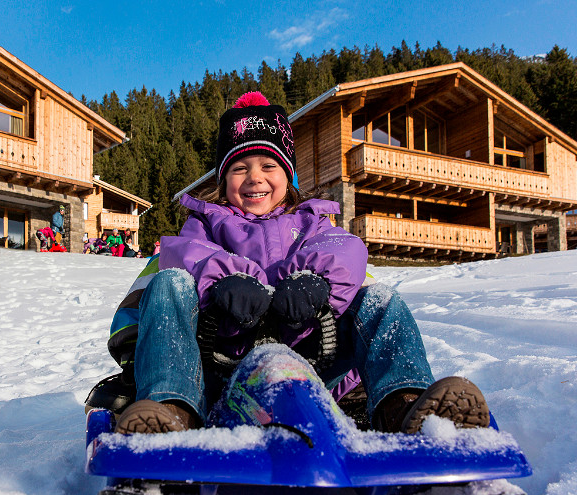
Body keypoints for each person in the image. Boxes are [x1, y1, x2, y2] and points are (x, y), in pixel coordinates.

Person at [108, 91, 490, 436]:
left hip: (317, 365)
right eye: (240, 168)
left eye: (268, 166)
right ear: (222, 181)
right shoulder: (203, 224)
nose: (254, 177)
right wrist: (222, 282)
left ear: (287, 176)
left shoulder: (313, 221)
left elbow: (347, 251)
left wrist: (317, 281)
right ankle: (170, 409)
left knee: (378, 298)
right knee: (170, 281)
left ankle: (404, 407)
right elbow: (183, 255)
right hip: (218, 371)